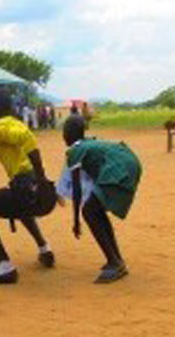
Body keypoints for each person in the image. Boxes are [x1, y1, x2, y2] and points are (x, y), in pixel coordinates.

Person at [0, 89, 57, 285]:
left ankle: (4, 266)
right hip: (30, 188)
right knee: (18, 206)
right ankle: (44, 248)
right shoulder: (11, 123)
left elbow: (27, 138)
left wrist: (42, 180)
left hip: (28, 186)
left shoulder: (0, 126)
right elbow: (8, 155)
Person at [57, 115, 142, 283]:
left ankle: (115, 262)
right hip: (129, 161)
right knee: (96, 210)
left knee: (89, 210)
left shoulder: (75, 151)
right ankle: (116, 258)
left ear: (68, 134)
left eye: (64, 131)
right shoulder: (87, 143)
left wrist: (76, 220)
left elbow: (77, 189)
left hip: (120, 167)